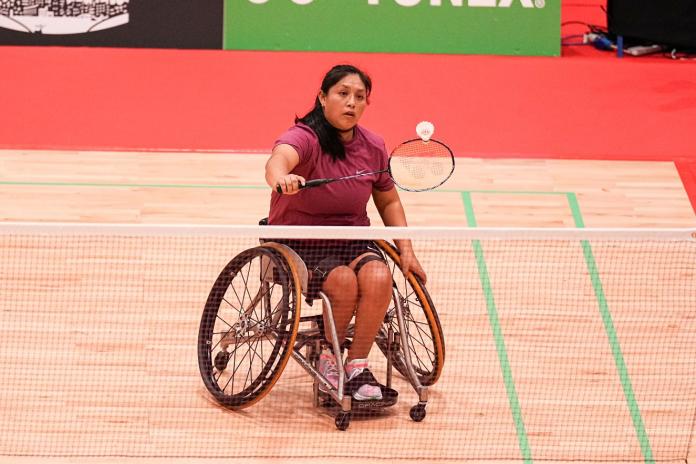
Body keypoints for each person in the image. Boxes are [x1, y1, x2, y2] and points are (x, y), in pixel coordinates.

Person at [264, 64, 426, 402]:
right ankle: (328, 359)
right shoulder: (305, 137)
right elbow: (278, 159)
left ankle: (356, 365)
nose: (351, 103)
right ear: (323, 97)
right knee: (342, 282)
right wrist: (283, 178)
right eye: (342, 94)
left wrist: (407, 250)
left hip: (350, 238)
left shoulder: (373, 145)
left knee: (380, 276)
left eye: (360, 96)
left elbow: (389, 199)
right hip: (300, 242)